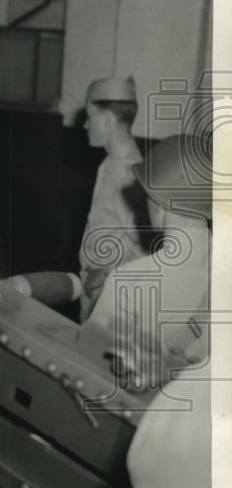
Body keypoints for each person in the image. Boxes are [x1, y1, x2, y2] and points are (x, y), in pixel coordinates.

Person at [85, 133, 212, 488]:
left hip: (115, 455)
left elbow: (79, 372)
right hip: (194, 468)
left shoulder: (132, 280)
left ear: (162, 206)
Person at [77, 76, 151, 320]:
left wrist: (108, 273)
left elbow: (148, 247)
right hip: (94, 292)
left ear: (108, 120)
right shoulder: (110, 164)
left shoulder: (128, 174)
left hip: (111, 300)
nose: (85, 125)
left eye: (90, 117)